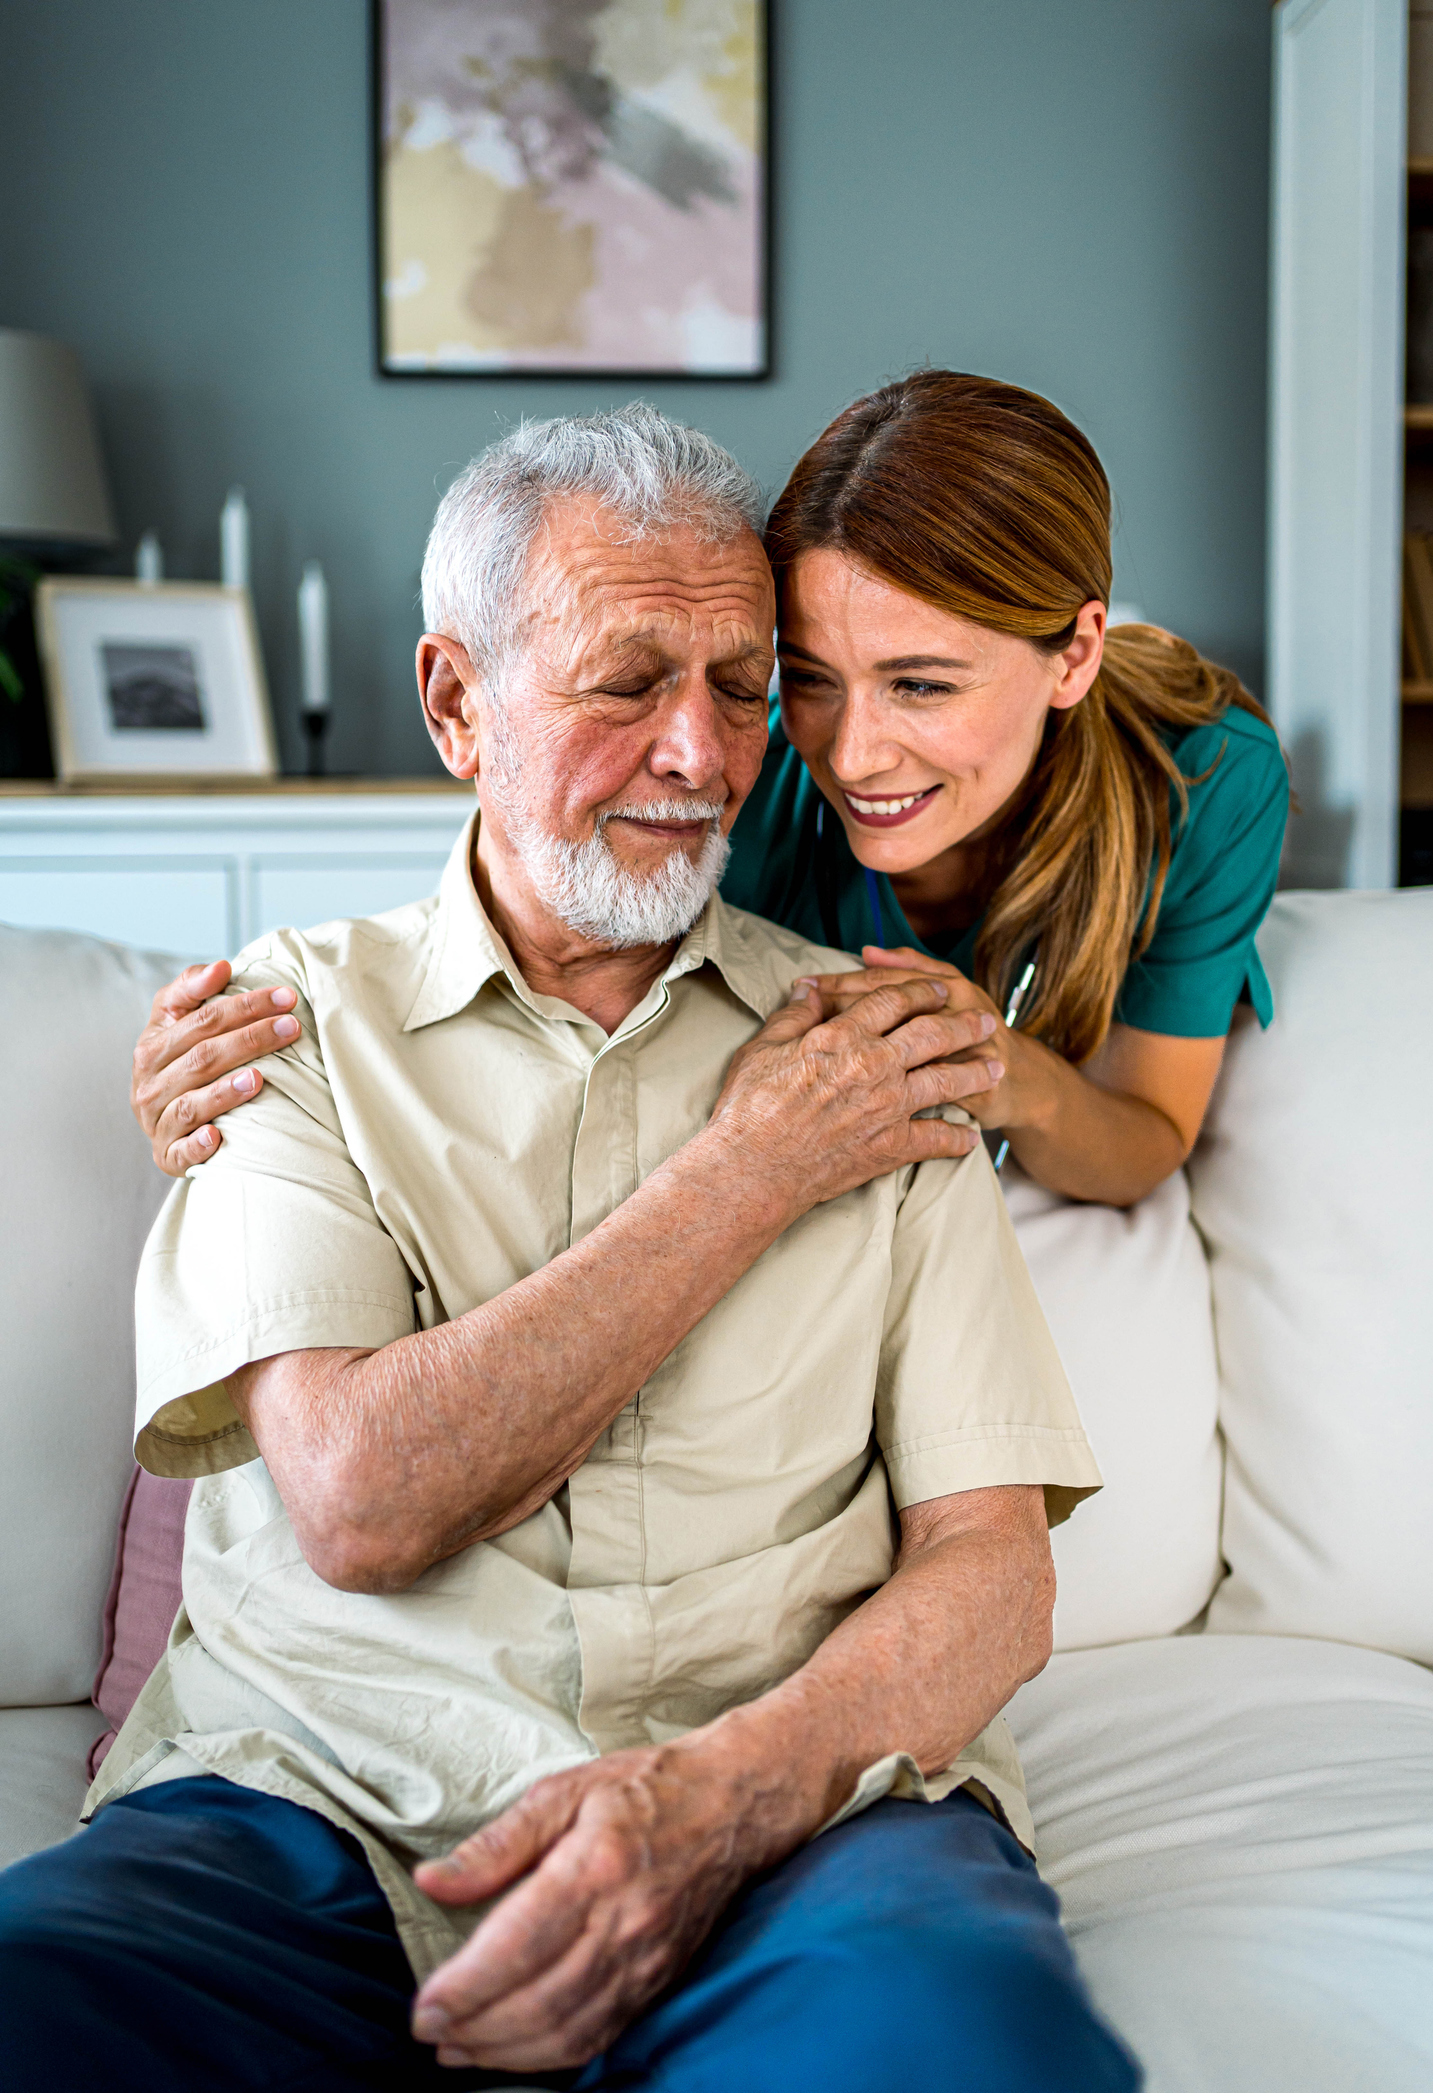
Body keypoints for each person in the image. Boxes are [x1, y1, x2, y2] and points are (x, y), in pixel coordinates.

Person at [0, 407, 1133, 2093]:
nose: (702, 752)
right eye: (624, 684)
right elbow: (363, 1496)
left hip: (797, 1823)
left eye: (742, 685)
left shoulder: (879, 1042)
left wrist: (724, 1794)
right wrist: (749, 1168)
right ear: (455, 700)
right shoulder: (284, 1027)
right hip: (314, 1812)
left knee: (972, 2047)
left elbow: (991, 1569)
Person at [132, 373, 1288, 1211]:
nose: (852, 756)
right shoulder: (741, 752)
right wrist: (271, 1070)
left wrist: (1005, 1068)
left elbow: (1145, 1135)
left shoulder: (1203, 777)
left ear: (1075, 654)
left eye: (922, 683)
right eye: (807, 679)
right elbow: (530, 926)